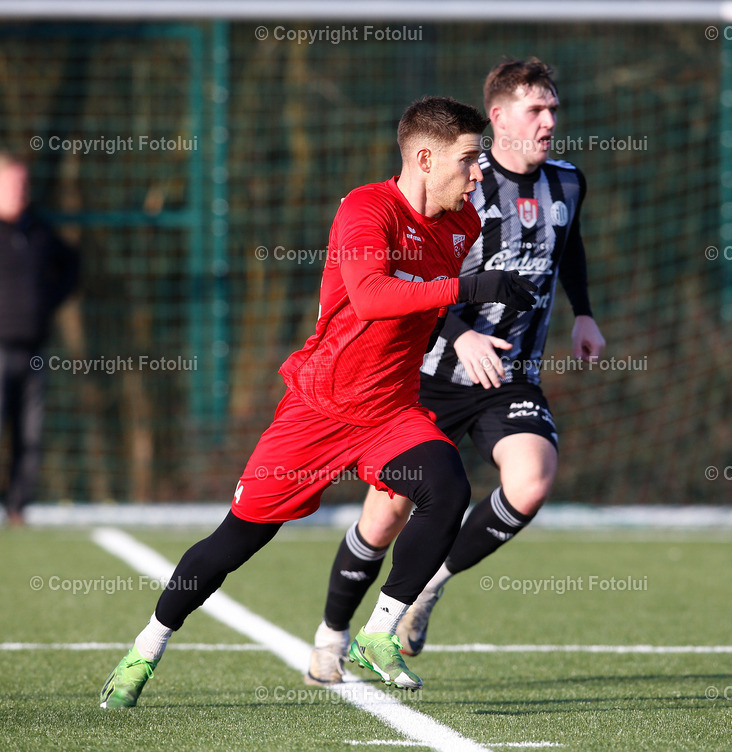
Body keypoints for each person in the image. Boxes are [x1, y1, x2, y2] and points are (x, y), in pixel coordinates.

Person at [100, 96, 538, 708]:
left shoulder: (462, 223)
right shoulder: (366, 208)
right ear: (423, 157)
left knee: (448, 487)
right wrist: (469, 290)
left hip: (389, 411)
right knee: (235, 543)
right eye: (468, 159)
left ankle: (380, 632)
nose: (478, 172)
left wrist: (459, 324)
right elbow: (372, 297)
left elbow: (425, 302)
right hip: (319, 408)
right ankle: (146, 645)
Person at [305, 57, 605, 686]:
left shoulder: (569, 183)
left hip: (510, 372)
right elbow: (409, 274)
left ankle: (428, 585)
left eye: (553, 107)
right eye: (535, 109)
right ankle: (331, 634)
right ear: (497, 118)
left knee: (532, 480)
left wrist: (584, 314)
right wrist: (460, 331)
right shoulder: (458, 183)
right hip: (430, 373)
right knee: (384, 518)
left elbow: (569, 244)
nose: (549, 120)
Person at [0, 153, 79, 528]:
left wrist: (49, 299)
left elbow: (71, 264)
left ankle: (17, 508)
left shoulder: (39, 231)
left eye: (24, 184)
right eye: (14, 184)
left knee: (30, 434)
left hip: (33, 348)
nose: (22, 191)